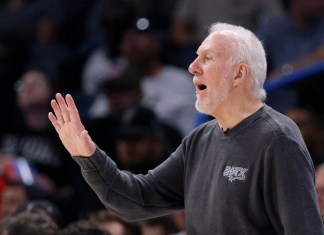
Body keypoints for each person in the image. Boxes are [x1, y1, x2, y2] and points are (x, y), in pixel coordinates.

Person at [48, 22, 324, 234]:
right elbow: (136, 201)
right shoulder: (199, 141)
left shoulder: (277, 139)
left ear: (239, 73)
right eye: (195, 58)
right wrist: (87, 155)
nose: (192, 67)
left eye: (207, 58)